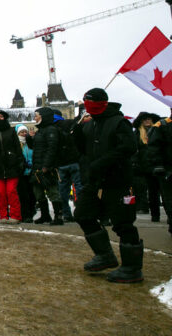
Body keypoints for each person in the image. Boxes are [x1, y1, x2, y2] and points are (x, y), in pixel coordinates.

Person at [73, 88, 143, 283]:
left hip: (117, 180)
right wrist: (77, 134)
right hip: (95, 181)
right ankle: (104, 255)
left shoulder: (119, 122)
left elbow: (128, 148)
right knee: (82, 214)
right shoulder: (89, 124)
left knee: (123, 223)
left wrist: (102, 162)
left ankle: (132, 267)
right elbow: (83, 151)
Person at [31, 107, 64, 225]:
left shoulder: (51, 130)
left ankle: (58, 216)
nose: (34, 118)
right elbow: (36, 148)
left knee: (53, 192)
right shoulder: (41, 131)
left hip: (47, 167)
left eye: (36, 116)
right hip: (37, 167)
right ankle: (45, 215)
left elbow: (52, 149)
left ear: (43, 117)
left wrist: (46, 165)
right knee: (38, 192)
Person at [146, 108, 172, 237]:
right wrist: (158, 164)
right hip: (168, 169)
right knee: (170, 199)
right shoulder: (162, 126)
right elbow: (154, 147)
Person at [53, 109, 82, 223]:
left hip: (61, 163)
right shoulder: (70, 123)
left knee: (62, 191)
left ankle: (66, 214)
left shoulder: (51, 128)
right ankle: (80, 212)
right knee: (79, 188)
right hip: (74, 160)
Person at [15, 124, 36, 223]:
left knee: (32, 194)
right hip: (21, 173)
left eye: (25, 132)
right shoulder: (16, 144)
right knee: (23, 195)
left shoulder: (30, 143)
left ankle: (31, 212)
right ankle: (25, 214)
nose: (24, 134)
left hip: (32, 171)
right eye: (21, 132)